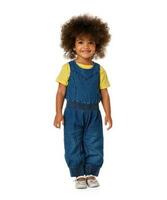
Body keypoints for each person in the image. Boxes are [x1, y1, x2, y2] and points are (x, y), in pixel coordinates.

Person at [53, 14, 112, 189]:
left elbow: (105, 94)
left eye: (90, 42)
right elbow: (60, 92)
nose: (85, 46)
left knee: (94, 142)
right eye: (80, 42)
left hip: (93, 113)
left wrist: (108, 113)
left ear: (97, 46)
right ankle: (78, 174)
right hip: (72, 112)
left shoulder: (99, 70)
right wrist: (58, 113)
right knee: (73, 142)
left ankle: (92, 172)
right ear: (72, 45)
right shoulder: (68, 68)